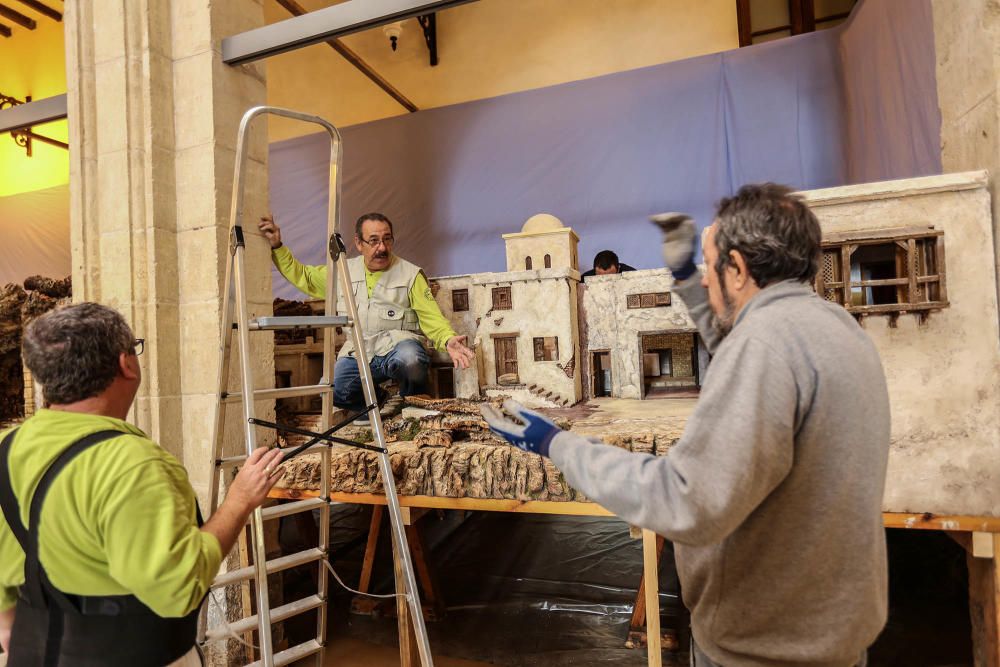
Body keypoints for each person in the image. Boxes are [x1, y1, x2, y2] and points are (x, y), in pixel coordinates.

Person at [483, 184, 890, 667]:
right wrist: (684, 276)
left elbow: (686, 499)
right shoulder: (837, 327)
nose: (708, 278)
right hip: (831, 630)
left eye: (710, 265)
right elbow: (741, 334)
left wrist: (559, 445)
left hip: (764, 646)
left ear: (737, 269)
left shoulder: (763, 346)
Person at [0, 303, 284, 666]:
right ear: (126, 364)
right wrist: (239, 501)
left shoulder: (7, 447)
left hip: (33, 651)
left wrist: (11, 628)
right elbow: (177, 590)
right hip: (134, 652)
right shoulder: (131, 464)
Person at [258, 213, 475, 416]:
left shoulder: (410, 275)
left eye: (387, 239)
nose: (382, 247)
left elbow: (431, 317)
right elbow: (303, 276)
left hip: (398, 347)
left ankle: (413, 402)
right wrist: (277, 246)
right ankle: (383, 403)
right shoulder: (342, 271)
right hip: (358, 351)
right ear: (359, 243)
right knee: (334, 390)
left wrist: (447, 339)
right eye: (373, 241)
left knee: (411, 359)